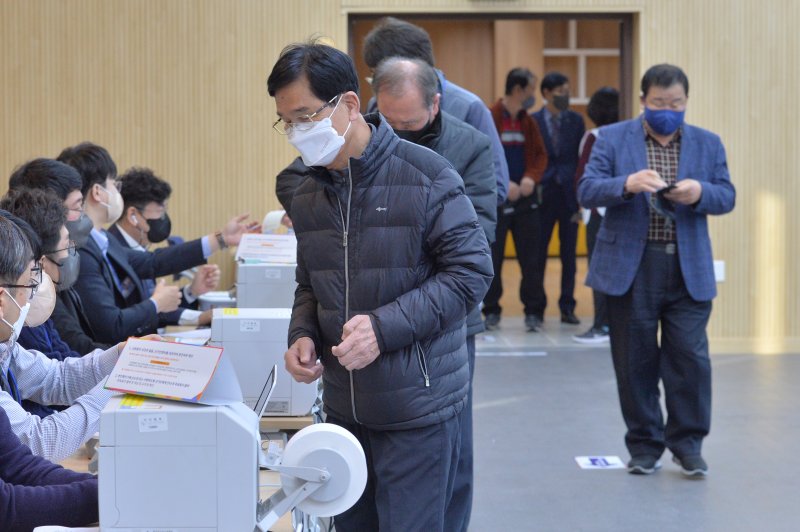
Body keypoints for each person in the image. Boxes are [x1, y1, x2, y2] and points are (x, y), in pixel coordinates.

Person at [268, 42, 492, 531]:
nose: (297, 132)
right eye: (287, 122)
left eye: (305, 116)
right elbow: (310, 281)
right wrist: (301, 334)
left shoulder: (427, 176)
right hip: (344, 412)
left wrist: (382, 328)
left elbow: (470, 272)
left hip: (418, 408)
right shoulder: (306, 193)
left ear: (349, 105)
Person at [578, 64, 735, 477]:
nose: (669, 110)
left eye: (677, 103)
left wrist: (700, 192)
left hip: (688, 266)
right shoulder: (611, 138)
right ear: (643, 100)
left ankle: (688, 445)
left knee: (690, 359)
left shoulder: (708, 143)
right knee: (635, 362)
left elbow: (727, 195)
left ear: (686, 102)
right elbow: (586, 188)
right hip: (632, 265)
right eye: (660, 103)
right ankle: (645, 445)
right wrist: (627, 184)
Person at [372, 56, 496, 532]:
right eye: (388, 123)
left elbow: (476, 243)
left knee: (452, 445)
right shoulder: (361, 139)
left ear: (436, 104)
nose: (398, 135)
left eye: (410, 124)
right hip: (376, 319)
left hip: (447, 319)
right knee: (386, 447)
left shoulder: (469, 148)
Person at [57, 142, 258, 343]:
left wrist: (220, 239)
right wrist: (155, 303)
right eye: (114, 185)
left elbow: (152, 262)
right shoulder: (81, 248)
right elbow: (110, 325)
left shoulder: (103, 239)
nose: (118, 192)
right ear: (98, 192)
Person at [0, 209, 131, 462]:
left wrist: (119, 357)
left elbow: (54, 379)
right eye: (29, 282)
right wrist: (116, 384)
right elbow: (36, 442)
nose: (30, 295)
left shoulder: (6, 346)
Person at [362, 16, 509, 207]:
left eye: (379, 73)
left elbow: (496, 189)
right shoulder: (376, 105)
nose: (377, 81)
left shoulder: (469, 107)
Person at [8, 158, 108, 354]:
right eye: (77, 206)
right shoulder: (21, 316)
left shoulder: (39, 307)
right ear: (41, 262)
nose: (73, 251)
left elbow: (60, 367)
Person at [110, 166, 221, 327]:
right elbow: (140, 313)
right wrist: (221, 239)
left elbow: (153, 305)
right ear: (132, 215)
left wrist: (191, 292)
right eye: (159, 212)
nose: (163, 219)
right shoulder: (113, 251)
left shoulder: (137, 247)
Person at [485, 67, 549, 332]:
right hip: (499, 201)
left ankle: (534, 312)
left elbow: (540, 156)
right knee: (493, 259)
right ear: (518, 90)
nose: (534, 94)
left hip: (526, 202)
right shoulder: (491, 116)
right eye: (531, 88)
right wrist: (505, 183)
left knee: (531, 260)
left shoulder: (528, 121)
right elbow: (484, 155)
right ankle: (491, 311)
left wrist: (530, 178)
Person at [532, 72, 585, 327]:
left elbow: (580, 160)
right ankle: (537, 307)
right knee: (538, 254)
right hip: (542, 195)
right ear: (546, 93)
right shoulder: (533, 121)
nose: (565, 96)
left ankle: (567, 306)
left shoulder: (576, 120)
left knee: (569, 256)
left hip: (569, 196)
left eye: (568, 91)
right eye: (560, 92)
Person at [572, 87, 619, 344]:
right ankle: (611, 324)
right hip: (618, 208)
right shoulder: (626, 136)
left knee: (599, 269)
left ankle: (601, 325)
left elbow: (583, 177)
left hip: (598, 211)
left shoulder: (594, 137)